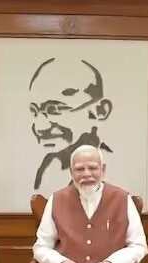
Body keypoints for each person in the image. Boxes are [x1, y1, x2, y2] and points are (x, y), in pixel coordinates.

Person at [33, 144, 147, 263]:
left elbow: (138, 246)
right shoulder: (57, 199)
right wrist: (61, 262)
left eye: (92, 168)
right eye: (79, 169)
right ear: (71, 172)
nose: (86, 174)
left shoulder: (122, 199)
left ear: (103, 169)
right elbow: (41, 247)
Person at [29, 58, 114, 192]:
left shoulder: (117, 169)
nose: (40, 127)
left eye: (55, 109)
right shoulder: (46, 166)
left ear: (100, 110)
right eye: (34, 111)